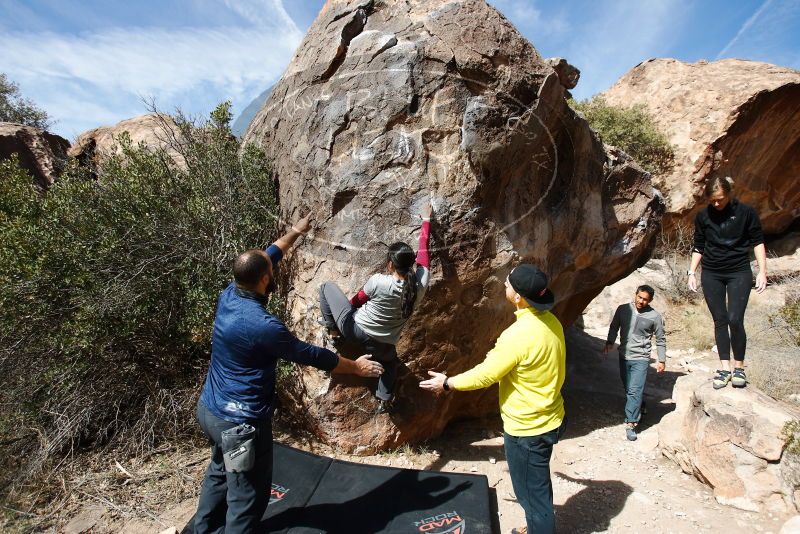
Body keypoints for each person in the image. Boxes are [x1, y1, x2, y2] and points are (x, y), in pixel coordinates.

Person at [193, 215, 384, 534]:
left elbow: (270, 254)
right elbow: (311, 355)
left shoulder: (230, 292)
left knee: (219, 473)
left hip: (211, 411)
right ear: (265, 279)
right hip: (240, 427)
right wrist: (357, 367)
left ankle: (203, 530)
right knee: (247, 496)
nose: (274, 268)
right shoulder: (263, 327)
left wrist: (296, 231)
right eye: (271, 270)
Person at [420, 265, 566, 534]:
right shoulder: (551, 322)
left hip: (527, 429)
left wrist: (448, 383)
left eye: (509, 284)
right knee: (536, 488)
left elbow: (486, 375)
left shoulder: (517, 337)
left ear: (519, 297)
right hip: (550, 417)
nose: (506, 287)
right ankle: (535, 526)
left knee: (533, 497)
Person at [319, 203, 432, 412]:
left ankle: (334, 332)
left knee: (326, 287)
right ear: (412, 265)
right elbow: (424, 255)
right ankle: (384, 397)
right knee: (389, 363)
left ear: (390, 264)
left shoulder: (379, 281)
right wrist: (427, 221)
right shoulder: (420, 286)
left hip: (355, 331)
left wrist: (341, 316)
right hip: (383, 344)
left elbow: (357, 301)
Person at [688, 176, 767, 389]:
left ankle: (739, 367)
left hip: (738, 271)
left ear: (729, 194)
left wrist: (762, 271)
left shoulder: (746, 213)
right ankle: (724, 368)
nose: (716, 204)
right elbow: (699, 245)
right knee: (720, 320)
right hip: (712, 272)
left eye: (720, 199)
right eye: (713, 200)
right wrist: (691, 272)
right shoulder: (703, 216)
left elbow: (758, 241)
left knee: (735, 319)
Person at [603, 285, 667, 441]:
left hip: (641, 358)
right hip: (624, 356)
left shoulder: (654, 316)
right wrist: (610, 342)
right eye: (639, 297)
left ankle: (631, 423)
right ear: (635, 295)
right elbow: (614, 326)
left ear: (650, 300)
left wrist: (662, 359)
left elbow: (660, 339)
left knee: (634, 390)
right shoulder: (623, 309)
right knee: (628, 388)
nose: (641, 301)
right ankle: (640, 404)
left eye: (645, 299)